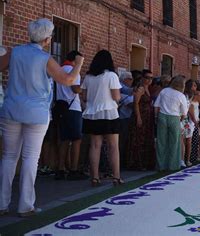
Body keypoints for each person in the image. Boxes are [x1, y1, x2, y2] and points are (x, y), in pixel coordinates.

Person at [0, 18, 84, 217]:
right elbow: (68, 80)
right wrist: (79, 64)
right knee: (31, 158)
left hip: (12, 109)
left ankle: (2, 204)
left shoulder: (14, 52)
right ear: (47, 38)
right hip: (36, 113)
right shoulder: (45, 58)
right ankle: (25, 205)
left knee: (9, 157)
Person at [81, 50, 123, 187]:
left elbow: (84, 97)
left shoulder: (88, 77)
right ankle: (116, 177)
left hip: (92, 113)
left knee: (94, 145)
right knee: (113, 146)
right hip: (109, 113)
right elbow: (116, 96)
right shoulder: (111, 75)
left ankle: (95, 177)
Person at [55, 51, 87, 181]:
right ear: (76, 59)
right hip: (73, 108)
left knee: (64, 140)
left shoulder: (59, 69)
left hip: (61, 107)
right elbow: (75, 89)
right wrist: (83, 89)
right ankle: (74, 169)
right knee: (76, 140)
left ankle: (61, 169)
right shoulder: (74, 70)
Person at [154, 76, 188, 171]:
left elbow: (156, 105)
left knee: (161, 142)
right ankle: (173, 165)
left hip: (162, 116)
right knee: (175, 142)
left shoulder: (164, 91)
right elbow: (184, 112)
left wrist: (156, 117)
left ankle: (161, 165)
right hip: (174, 117)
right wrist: (180, 119)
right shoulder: (181, 95)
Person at [127, 70, 156, 170]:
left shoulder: (148, 89)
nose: (149, 80)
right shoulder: (141, 88)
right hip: (141, 116)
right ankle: (136, 163)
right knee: (138, 139)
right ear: (143, 78)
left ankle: (146, 163)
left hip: (148, 117)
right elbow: (136, 104)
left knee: (147, 139)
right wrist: (138, 117)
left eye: (151, 78)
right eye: (147, 77)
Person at [117, 71, 135, 165]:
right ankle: (121, 161)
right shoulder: (121, 92)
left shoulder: (128, 91)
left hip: (128, 118)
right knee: (122, 140)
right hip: (123, 119)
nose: (132, 81)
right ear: (125, 80)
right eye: (130, 79)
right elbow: (131, 104)